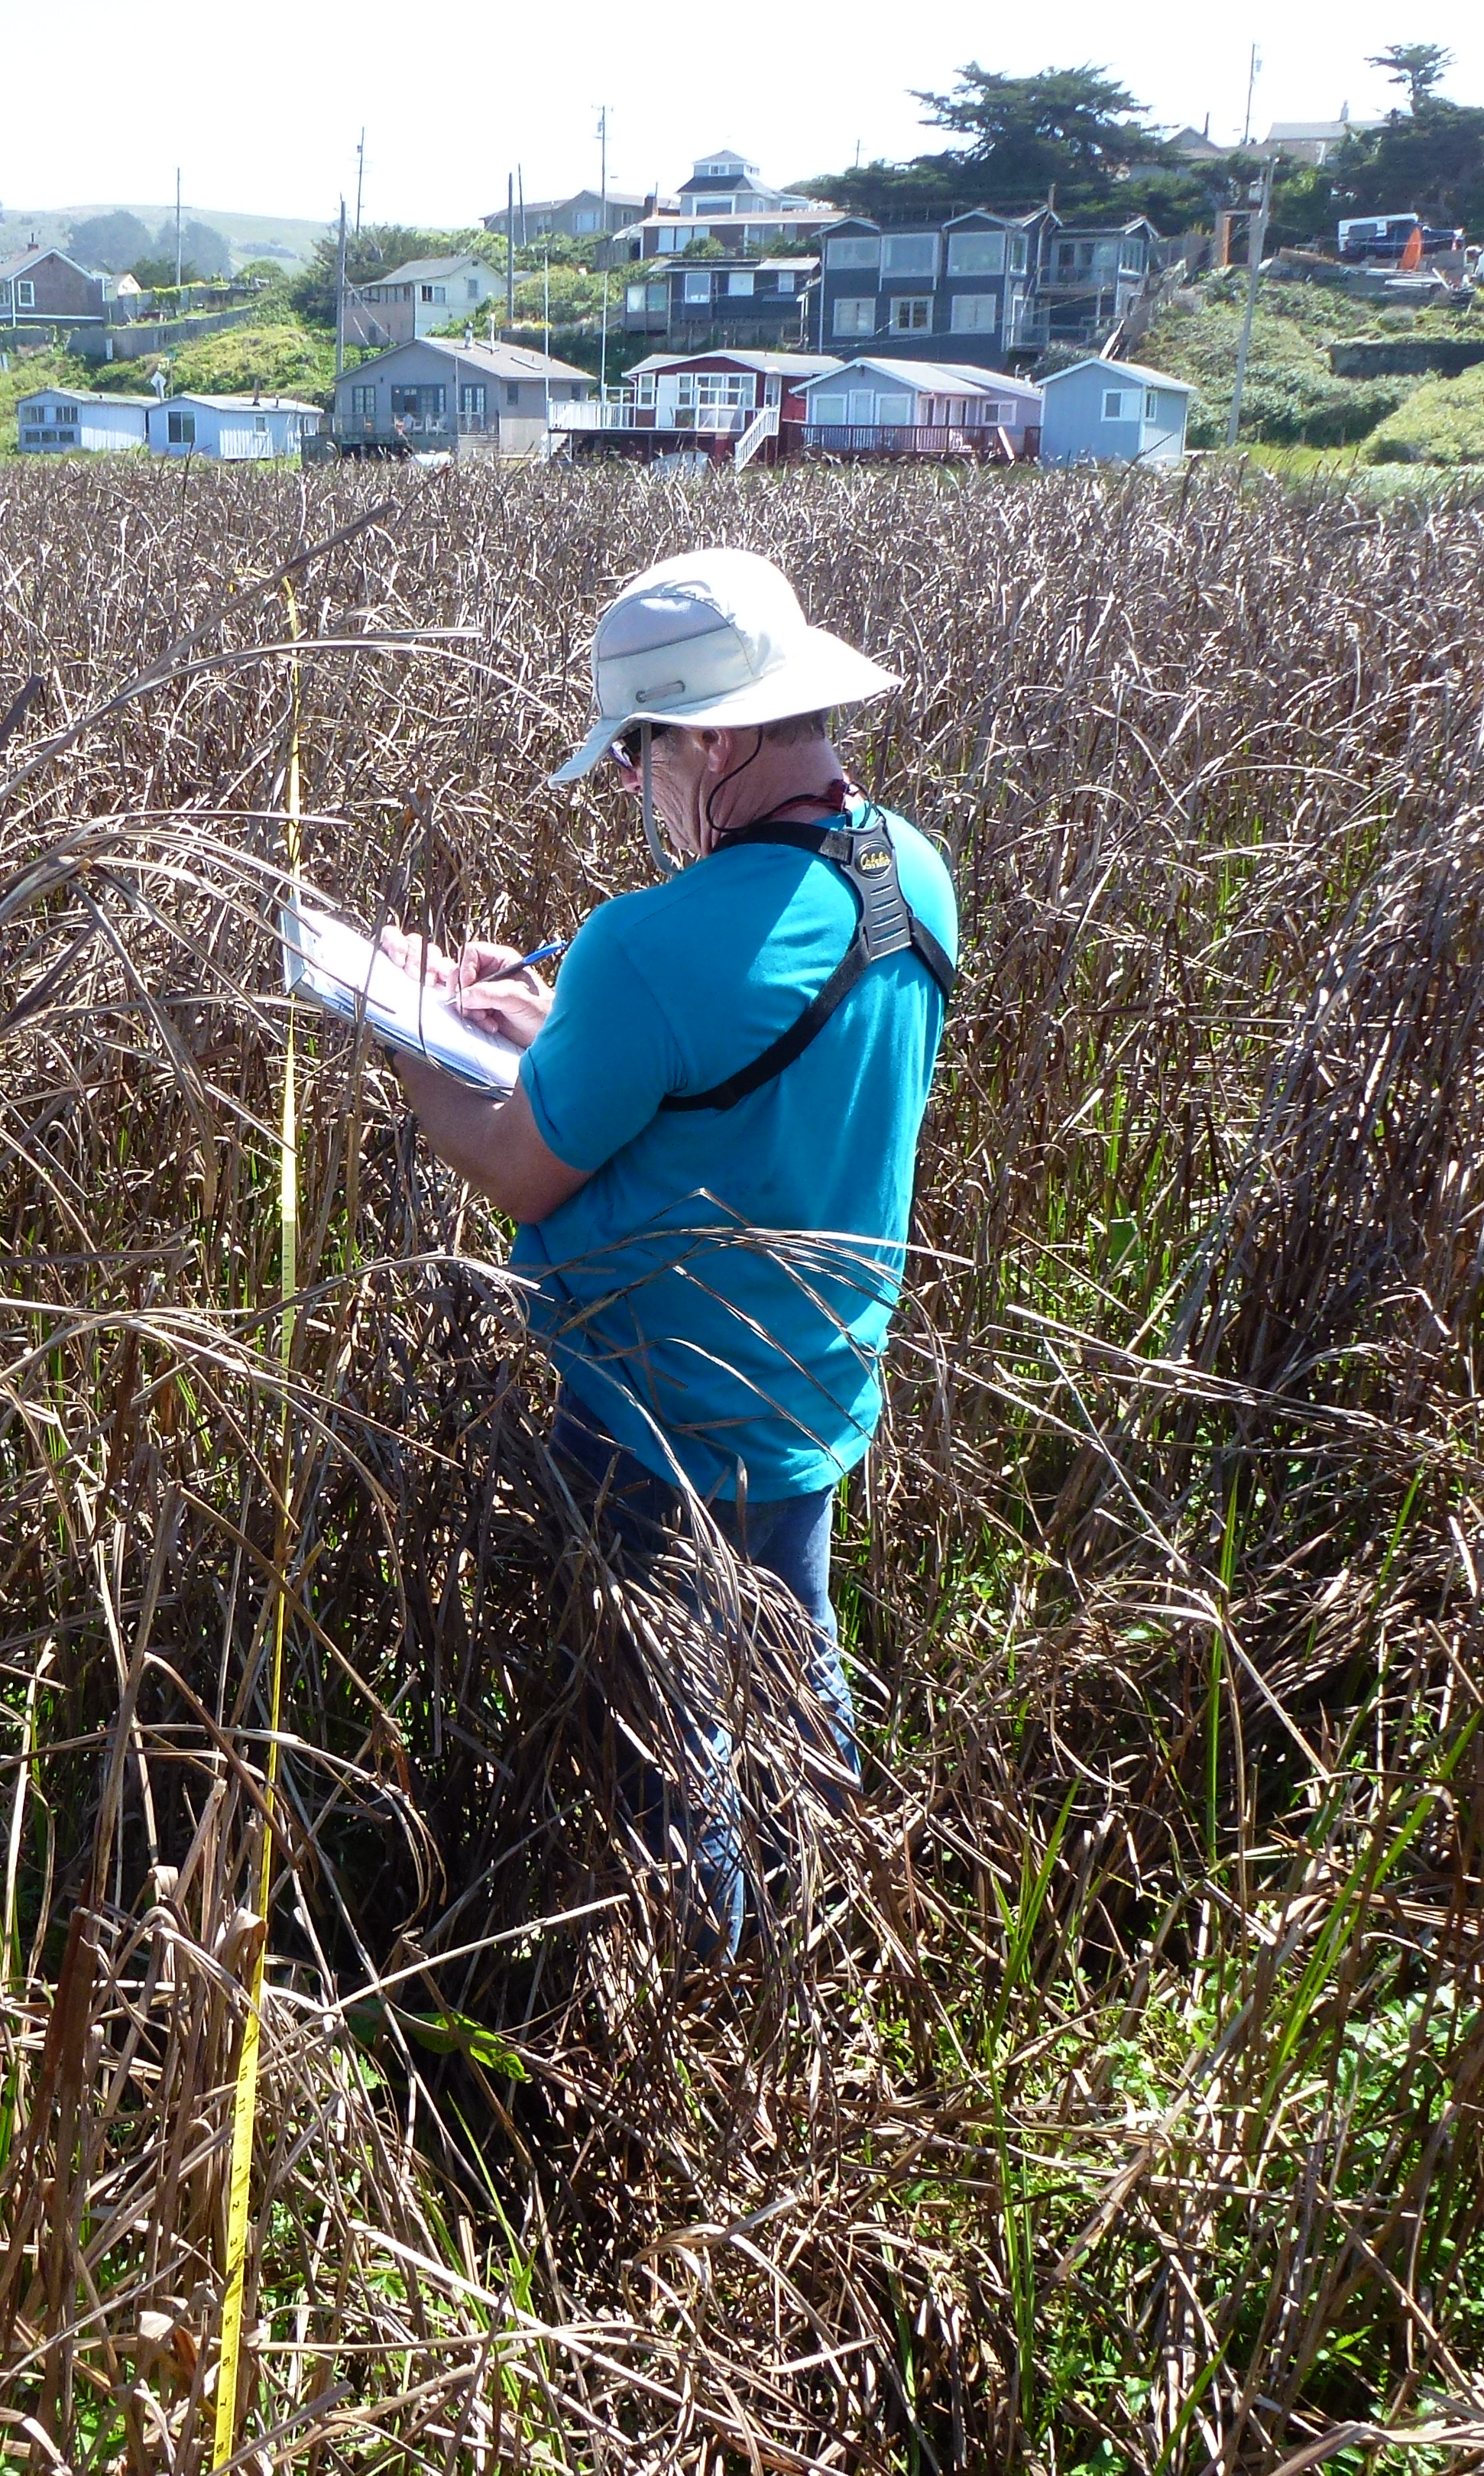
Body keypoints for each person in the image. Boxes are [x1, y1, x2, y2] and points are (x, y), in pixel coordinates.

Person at [376, 546, 961, 1953]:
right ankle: (821, 1934)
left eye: (640, 750)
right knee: (796, 1668)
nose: (636, 783)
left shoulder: (644, 945)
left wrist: (403, 1035)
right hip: (815, 1386)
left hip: (656, 1411)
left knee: (666, 1730)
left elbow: (519, 1161)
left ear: (713, 740)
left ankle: (697, 1976)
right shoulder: (911, 871)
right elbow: (741, 1064)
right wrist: (556, 1029)